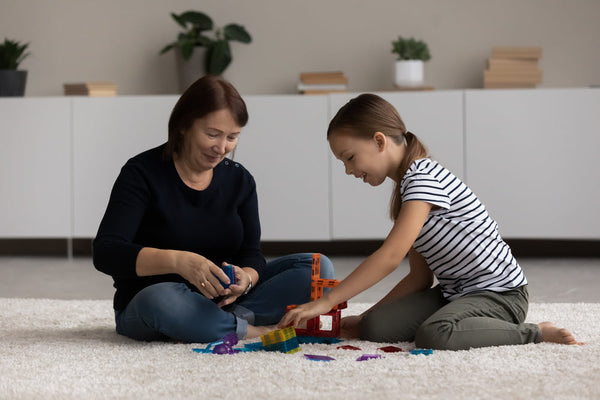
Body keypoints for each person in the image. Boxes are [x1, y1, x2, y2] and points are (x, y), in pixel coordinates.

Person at [279, 93, 579, 350]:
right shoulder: (407, 191)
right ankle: (463, 320)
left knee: (435, 334)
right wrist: (367, 315)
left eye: (350, 157)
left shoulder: (423, 178)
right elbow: (419, 279)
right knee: (372, 327)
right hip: (455, 293)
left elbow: (390, 256)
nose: (348, 170)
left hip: (500, 294)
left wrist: (327, 301)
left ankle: (536, 332)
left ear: (379, 141)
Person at [93, 75, 333, 343]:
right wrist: (179, 262)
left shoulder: (239, 180)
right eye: (212, 134)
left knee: (316, 267)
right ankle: (247, 330)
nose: (222, 148)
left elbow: (252, 254)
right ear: (184, 126)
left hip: (226, 302)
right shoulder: (141, 173)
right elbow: (106, 252)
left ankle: (222, 321)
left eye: (232, 137)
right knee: (160, 299)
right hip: (154, 302)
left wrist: (248, 279)